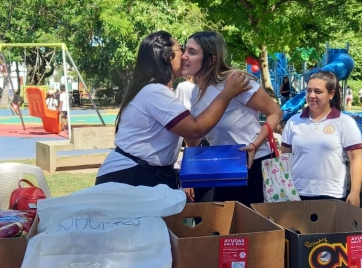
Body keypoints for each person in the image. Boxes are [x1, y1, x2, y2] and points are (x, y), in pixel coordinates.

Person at [95, 31, 251, 188]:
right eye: (181, 49)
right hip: (130, 176)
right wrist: (227, 94)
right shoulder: (155, 92)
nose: (184, 56)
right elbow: (194, 130)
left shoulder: (156, 89)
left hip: (140, 173)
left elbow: (192, 139)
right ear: (166, 56)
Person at [182, 31, 283, 206]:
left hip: (253, 163)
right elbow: (195, 137)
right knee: (225, 226)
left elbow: (275, 112)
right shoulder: (195, 91)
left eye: (192, 52)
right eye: (185, 50)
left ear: (211, 59)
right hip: (223, 166)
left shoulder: (236, 81)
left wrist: (254, 145)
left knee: (252, 227)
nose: (184, 56)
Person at [281, 71, 362, 206]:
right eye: (309, 91)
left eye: (318, 91)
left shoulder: (345, 122)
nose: (312, 95)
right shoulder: (293, 121)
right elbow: (284, 157)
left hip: (331, 194)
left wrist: (355, 192)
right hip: (296, 192)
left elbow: (356, 159)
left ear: (331, 94)